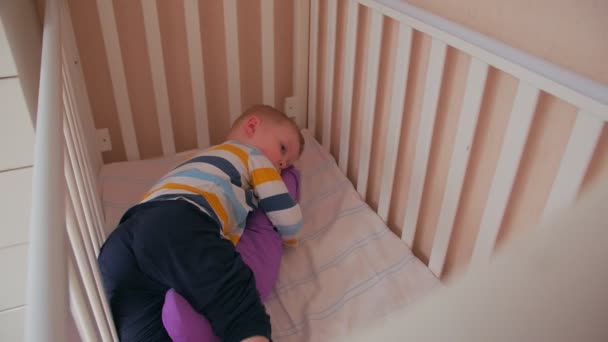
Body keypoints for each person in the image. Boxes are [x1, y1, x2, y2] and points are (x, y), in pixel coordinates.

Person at [98, 105, 305, 342]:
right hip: (179, 223)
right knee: (236, 302)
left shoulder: (199, 160)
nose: (281, 165)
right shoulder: (252, 155)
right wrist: (292, 235)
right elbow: (283, 212)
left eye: (286, 165)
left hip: (124, 238)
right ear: (252, 126)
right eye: (282, 149)